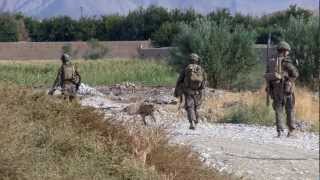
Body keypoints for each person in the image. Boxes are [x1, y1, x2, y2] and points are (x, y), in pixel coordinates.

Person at [265, 41, 299, 137]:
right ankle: (291, 131)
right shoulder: (286, 62)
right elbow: (295, 74)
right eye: (287, 51)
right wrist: (289, 80)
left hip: (275, 89)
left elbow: (267, 75)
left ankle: (279, 131)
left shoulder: (271, 61)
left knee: (278, 109)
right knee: (290, 109)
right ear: (284, 51)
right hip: (286, 89)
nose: (288, 53)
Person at [174, 53, 206, 130]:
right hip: (198, 92)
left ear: (189, 60)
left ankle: (192, 122)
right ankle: (196, 120)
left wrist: (176, 91)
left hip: (188, 91)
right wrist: (201, 91)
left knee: (189, 107)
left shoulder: (186, 69)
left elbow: (179, 80)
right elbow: (204, 81)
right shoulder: (201, 69)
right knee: (196, 106)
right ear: (197, 60)